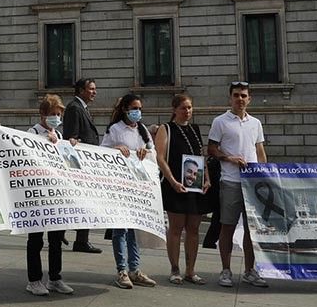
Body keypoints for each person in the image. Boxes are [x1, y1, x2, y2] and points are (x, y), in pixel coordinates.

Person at [207, 82, 269, 289]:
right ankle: (226, 270)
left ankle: (250, 270)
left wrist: (265, 175)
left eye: (243, 96)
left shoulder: (256, 123)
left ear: (249, 99)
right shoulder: (220, 121)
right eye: (236, 95)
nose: (240, 99)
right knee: (227, 226)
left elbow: (260, 151)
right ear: (230, 98)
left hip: (252, 183)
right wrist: (229, 158)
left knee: (252, 230)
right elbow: (212, 149)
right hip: (231, 181)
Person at [153, 93, 212, 286]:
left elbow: (201, 157)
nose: (187, 112)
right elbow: (160, 157)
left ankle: (191, 270)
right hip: (175, 185)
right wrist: (172, 180)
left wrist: (207, 179)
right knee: (176, 228)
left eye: (189, 108)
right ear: (175, 110)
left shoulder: (195, 129)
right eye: (183, 108)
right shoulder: (166, 128)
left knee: (193, 229)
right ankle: (175, 268)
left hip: (194, 185)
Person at [100, 93, 158, 289]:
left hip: (137, 187)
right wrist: (116, 148)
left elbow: (153, 153)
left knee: (133, 229)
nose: (138, 112)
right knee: (120, 229)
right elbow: (101, 152)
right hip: (120, 185)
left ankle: (135, 268)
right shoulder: (114, 129)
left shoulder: (143, 131)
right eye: (134, 108)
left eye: (140, 108)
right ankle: (122, 270)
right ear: (125, 109)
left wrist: (146, 152)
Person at [24, 94, 74, 296]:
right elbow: (27, 155)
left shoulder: (60, 136)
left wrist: (66, 146)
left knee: (56, 239)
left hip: (56, 195)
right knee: (35, 240)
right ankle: (34, 280)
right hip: (38, 196)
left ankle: (55, 278)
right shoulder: (32, 132)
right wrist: (45, 142)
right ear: (42, 114)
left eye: (58, 114)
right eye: (52, 114)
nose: (56, 117)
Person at [61, 78, 102, 254]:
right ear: (80, 90)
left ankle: (79, 239)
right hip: (80, 164)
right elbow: (72, 137)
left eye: (95, 89)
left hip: (87, 163)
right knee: (80, 203)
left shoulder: (82, 108)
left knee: (84, 203)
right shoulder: (74, 108)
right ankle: (77, 239)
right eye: (91, 89)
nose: (94, 92)